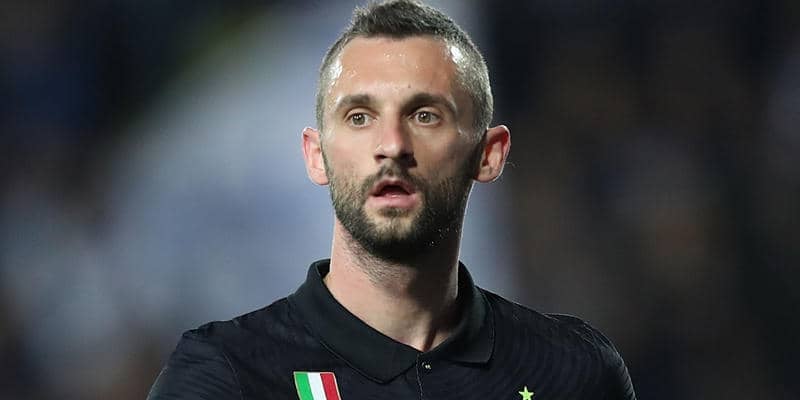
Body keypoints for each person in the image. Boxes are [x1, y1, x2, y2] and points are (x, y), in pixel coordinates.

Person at [147, 1, 636, 399]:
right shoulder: (224, 374)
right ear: (315, 156)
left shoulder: (574, 370)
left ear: (489, 155)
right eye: (360, 117)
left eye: (425, 115)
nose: (393, 145)